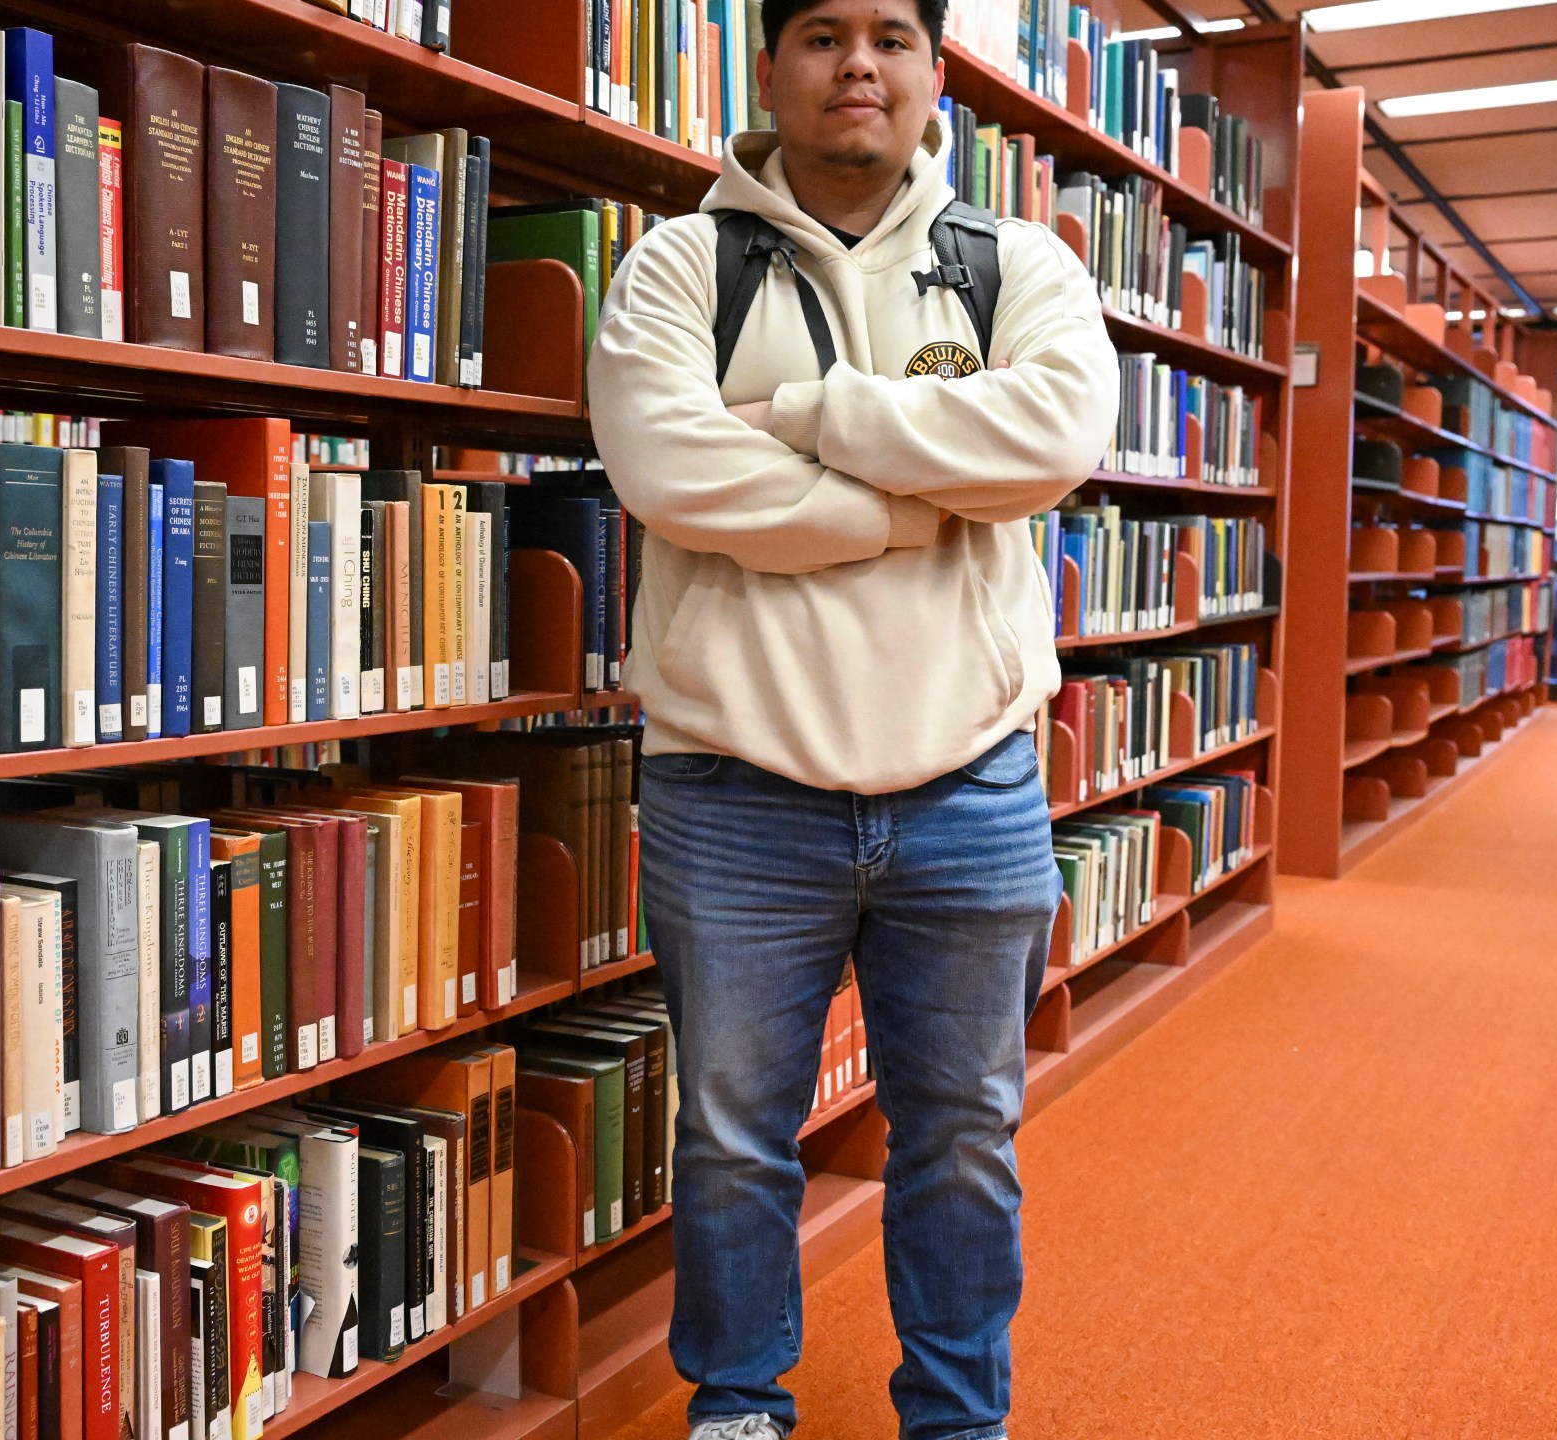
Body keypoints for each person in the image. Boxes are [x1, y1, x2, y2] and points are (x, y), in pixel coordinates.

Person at [585, 0, 1118, 1436]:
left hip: (971, 784)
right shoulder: (676, 267)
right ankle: (740, 1405)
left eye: (893, 34)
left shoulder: (1021, 266)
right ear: (771, 68)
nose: (859, 65)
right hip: (735, 788)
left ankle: (956, 1416)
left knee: (964, 1140)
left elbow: (1054, 438)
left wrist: (809, 415)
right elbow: (670, 473)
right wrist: (915, 510)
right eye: (822, 34)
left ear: (937, 72)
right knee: (732, 1140)